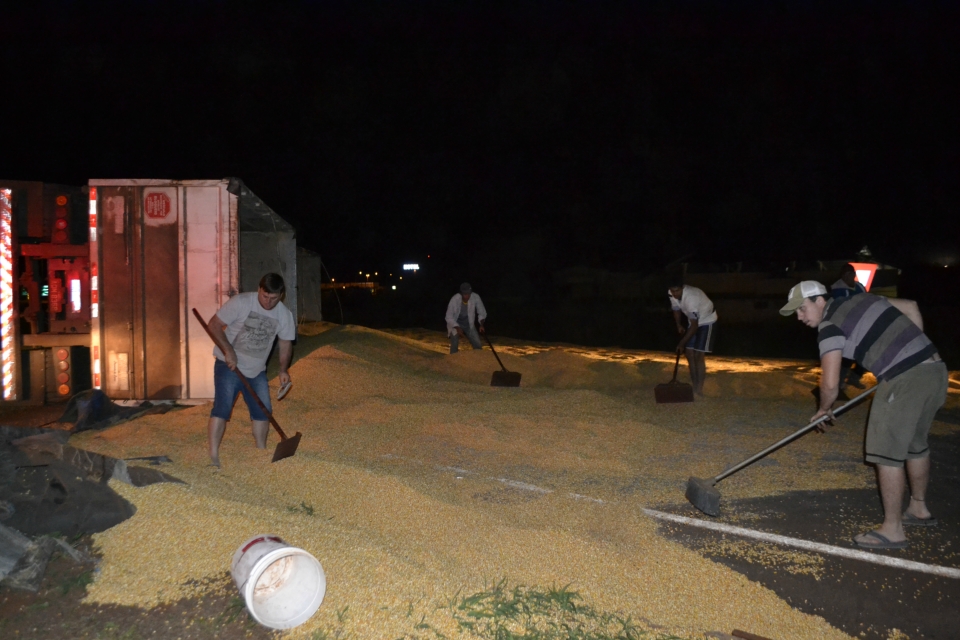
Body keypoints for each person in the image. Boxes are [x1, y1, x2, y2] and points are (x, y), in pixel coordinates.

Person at [780, 281, 947, 550]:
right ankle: (918, 508)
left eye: (801, 309)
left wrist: (824, 409)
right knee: (915, 445)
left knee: (886, 451)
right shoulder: (861, 299)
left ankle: (893, 530)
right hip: (935, 370)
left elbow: (831, 384)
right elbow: (911, 308)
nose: (800, 317)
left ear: (820, 301)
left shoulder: (829, 325)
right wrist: (913, 353)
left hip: (906, 378)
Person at [206, 273, 296, 467]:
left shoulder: (284, 315)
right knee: (222, 408)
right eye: (265, 296)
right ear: (259, 289)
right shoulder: (241, 302)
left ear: (281, 295)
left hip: (256, 371)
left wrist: (283, 370)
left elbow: (285, 343)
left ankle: (261, 452)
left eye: (274, 298)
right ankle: (213, 455)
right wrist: (228, 350)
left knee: (263, 411)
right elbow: (213, 325)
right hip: (228, 365)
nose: (269, 302)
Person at [668, 278, 718, 396]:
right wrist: (678, 325)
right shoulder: (671, 293)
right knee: (689, 354)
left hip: (707, 321)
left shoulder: (691, 298)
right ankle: (694, 385)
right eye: (672, 291)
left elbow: (695, 326)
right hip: (694, 321)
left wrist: (681, 343)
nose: (675, 294)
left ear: (683, 288)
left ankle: (699, 389)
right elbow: (676, 309)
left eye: (677, 291)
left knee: (698, 355)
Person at [830, 263, 869, 390]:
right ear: (843, 275)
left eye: (852, 273)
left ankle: (854, 377)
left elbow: (867, 302)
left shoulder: (860, 287)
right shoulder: (837, 288)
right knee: (847, 354)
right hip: (845, 326)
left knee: (866, 351)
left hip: (861, 323)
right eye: (847, 274)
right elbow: (843, 308)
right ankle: (839, 382)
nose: (850, 276)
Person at [445, 282, 486, 354]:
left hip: (469, 324)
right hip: (455, 324)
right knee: (454, 346)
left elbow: (482, 312)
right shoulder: (455, 299)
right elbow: (448, 316)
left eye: (469, 294)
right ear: (461, 293)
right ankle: (453, 362)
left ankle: (478, 362)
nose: (467, 296)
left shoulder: (475, 297)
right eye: (465, 294)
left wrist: (481, 324)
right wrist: (457, 328)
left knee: (478, 345)